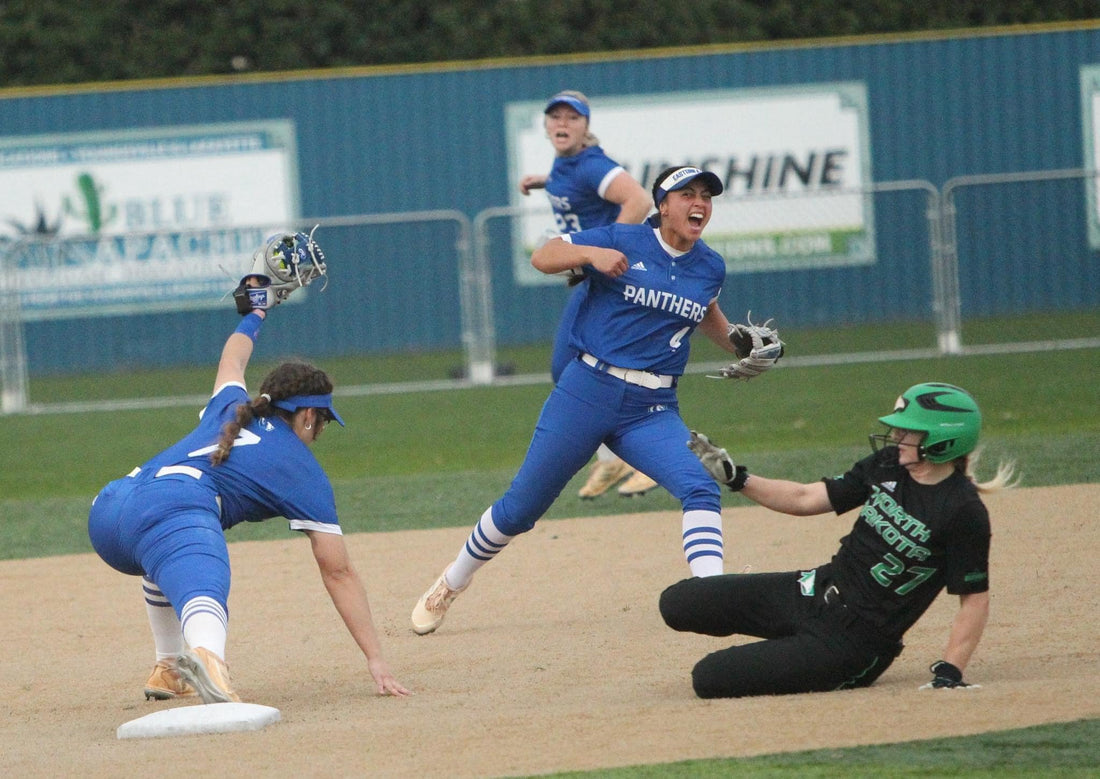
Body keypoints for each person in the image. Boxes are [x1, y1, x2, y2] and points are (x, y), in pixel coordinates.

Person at [411, 165, 781, 635]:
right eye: (687, 194)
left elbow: (704, 311)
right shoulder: (623, 239)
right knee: (521, 508)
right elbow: (544, 255)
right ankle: (452, 581)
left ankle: (713, 598)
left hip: (652, 409)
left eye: (706, 196)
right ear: (663, 205)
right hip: (587, 392)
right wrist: (591, 254)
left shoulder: (710, 266)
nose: (699, 204)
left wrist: (741, 345)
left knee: (700, 487)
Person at [87, 231, 410, 703]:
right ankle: (209, 660)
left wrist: (257, 312)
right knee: (201, 566)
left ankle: (170, 667)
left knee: (165, 552)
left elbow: (233, 358)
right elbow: (338, 573)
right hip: (172, 509)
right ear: (306, 415)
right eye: (322, 420)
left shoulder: (233, 408)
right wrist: (376, 659)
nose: (320, 430)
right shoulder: (301, 470)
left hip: (110, 509)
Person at [660, 382, 1017, 698]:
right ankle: (796, 648)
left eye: (908, 431)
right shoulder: (890, 464)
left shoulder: (963, 511)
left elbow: (974, 599)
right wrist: (737, 479)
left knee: (709, 677)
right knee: (678, 602)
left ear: (942, 441)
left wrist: (951, 671)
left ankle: (801, 654)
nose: (896, 436)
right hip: (814, 590)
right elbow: (805, 498)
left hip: (853, 643)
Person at [519, 89, 657, 499]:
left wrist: (606, 249)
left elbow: (638, 199)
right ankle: (615, 459)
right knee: (570, 368)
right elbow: (575, 183)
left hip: (616, 280)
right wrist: (544, 181)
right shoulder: (567, 164)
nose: (562, 123)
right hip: (599, 280)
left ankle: (645, 458)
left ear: (585, 126)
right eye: (555, 117)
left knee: (604, 369)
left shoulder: (591, 164)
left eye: (572, 117)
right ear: (546, 125)